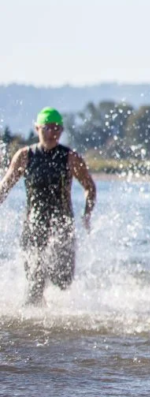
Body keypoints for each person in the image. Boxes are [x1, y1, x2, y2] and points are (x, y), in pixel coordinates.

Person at [0, 107, 98, 306]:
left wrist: (86, 215)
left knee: (63, 281)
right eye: (47, 128)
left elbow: (90, 187)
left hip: (62, 226)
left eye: (57, 128)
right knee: (35, 280)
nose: (52, 133)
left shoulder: (70, 157)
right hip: (33, 226)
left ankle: (58, 320)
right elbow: (5, 185)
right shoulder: (25, 156)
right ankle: (36, 326)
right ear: (37, 128)